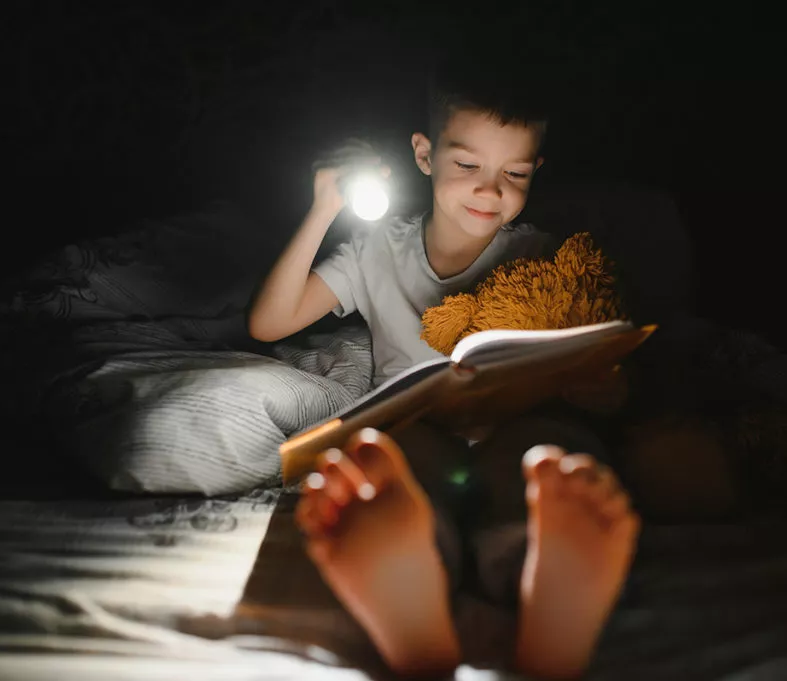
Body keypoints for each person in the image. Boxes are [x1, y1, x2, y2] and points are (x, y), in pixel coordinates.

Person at [248, 52, 639, 679]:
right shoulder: (377, 251)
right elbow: (269, 322)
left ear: (537, 170)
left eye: (515, 172)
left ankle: (539, 580)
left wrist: (598, 386)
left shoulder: (542, 259)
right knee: (398, 460)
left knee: (547, 454)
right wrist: (323, 207)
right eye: (467, 166)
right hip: (420, 428)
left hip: (515, 425)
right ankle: (413, 594)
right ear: (424, 155)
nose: (492, 190)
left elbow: (606, 384)